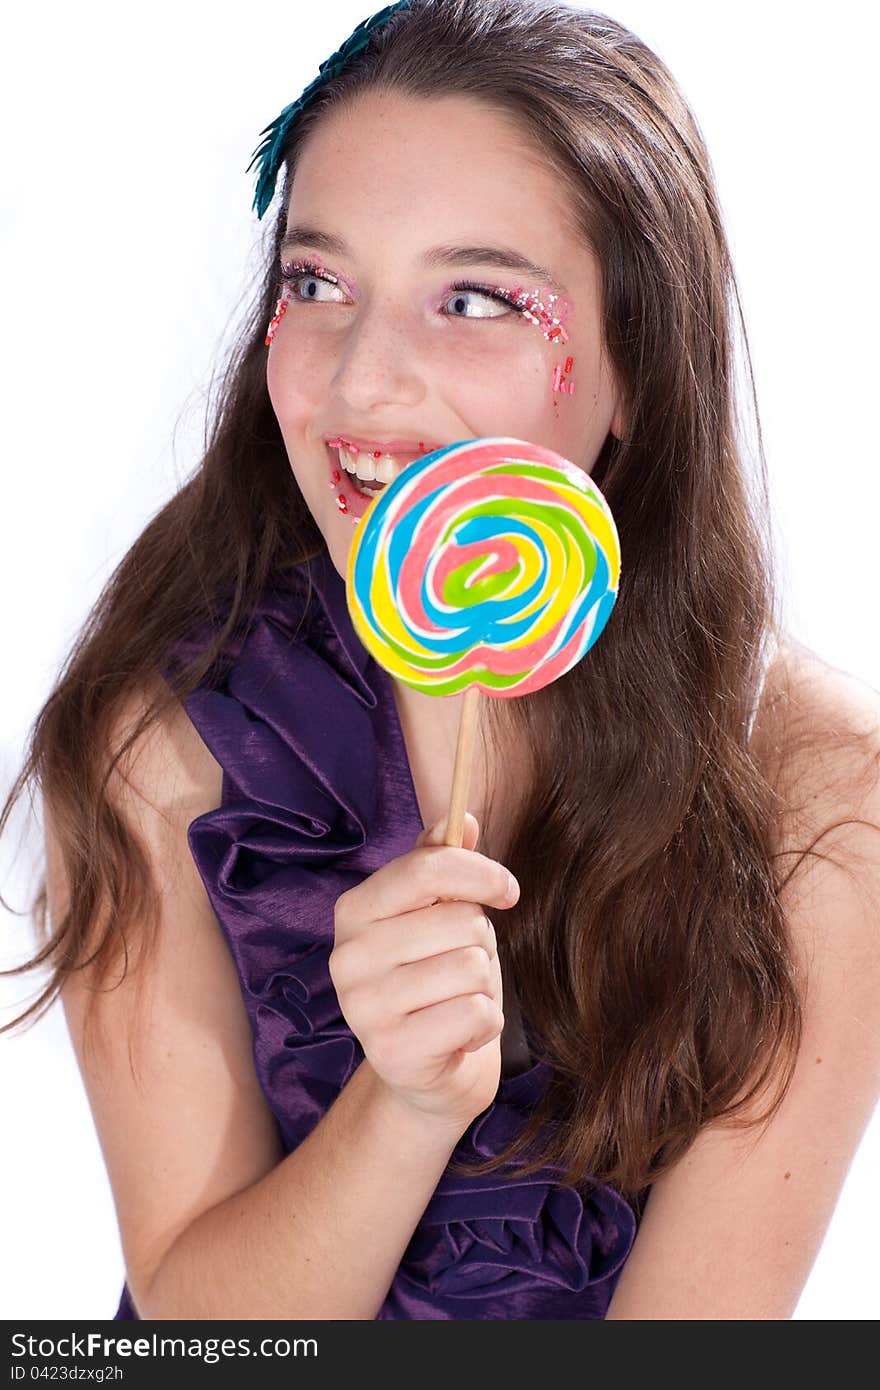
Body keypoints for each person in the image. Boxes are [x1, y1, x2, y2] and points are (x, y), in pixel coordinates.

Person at [2, 0, 879, 1321]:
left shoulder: (825, 801)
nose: (362, 384)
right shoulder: (167, 750)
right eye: (316, 283)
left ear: (633, 362)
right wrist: (399, 1111)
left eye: (472, 297)